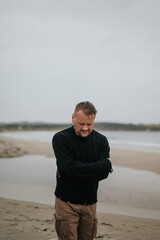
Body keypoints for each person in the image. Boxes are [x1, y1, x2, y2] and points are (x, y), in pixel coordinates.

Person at [52, 101, 112, 240]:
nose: (85, 128)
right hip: (66, 202)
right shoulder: (61, 138)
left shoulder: (101, 140)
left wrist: (78, 170)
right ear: (73, 118)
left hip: (90, 203)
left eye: (89, 124)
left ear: (94, 120)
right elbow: (69, 169)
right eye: (81, 124)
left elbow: (104, 174)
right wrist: (100, 166)